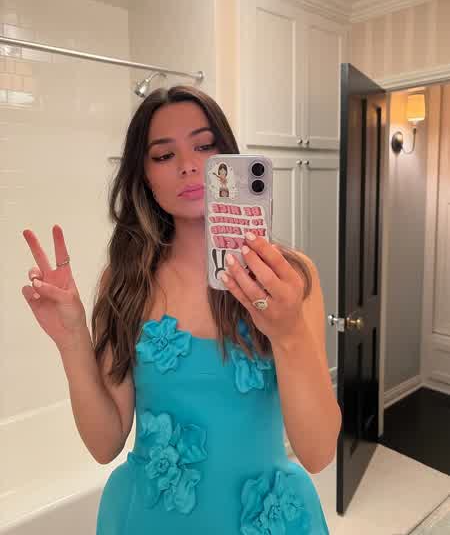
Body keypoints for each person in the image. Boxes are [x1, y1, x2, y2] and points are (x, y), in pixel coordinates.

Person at [21, 86, 340, 534]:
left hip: (263, 519)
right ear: (145, 176)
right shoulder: (126, 281)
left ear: (228, 157)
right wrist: (72, 338)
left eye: (204, 146)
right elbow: (104, 443)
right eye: (164, 155)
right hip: (150, 518)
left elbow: (319, 452)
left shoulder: (290, 278)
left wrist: (288, 333)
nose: (189, 165)